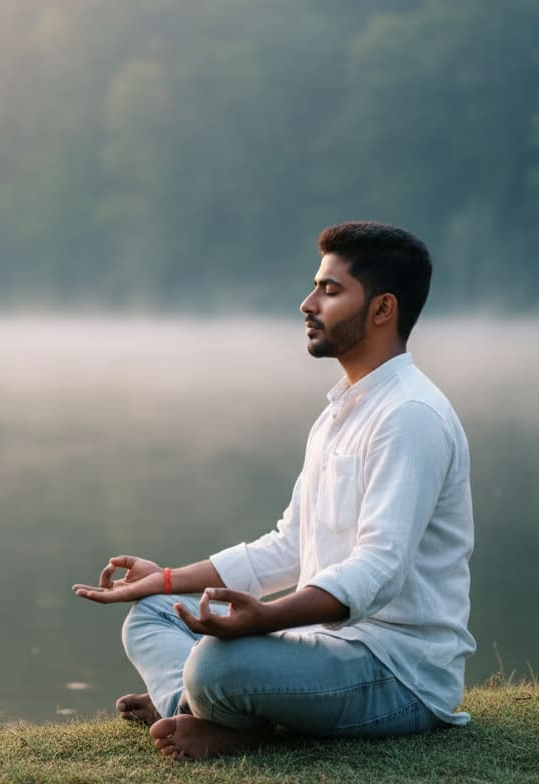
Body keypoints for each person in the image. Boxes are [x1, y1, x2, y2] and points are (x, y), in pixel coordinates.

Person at [72, 221, 476, 761]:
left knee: (217, 664)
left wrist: (266, 619)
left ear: (383, 309)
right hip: (329, 650)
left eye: (330, 291)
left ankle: (203, 706)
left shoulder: (409, 416)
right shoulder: (341, 413)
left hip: (396, 673)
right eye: (314, 287)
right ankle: (195, 709)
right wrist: (165, 578)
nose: (308, 303)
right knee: (154, 612)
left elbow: (379, 569)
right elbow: (289, 545)